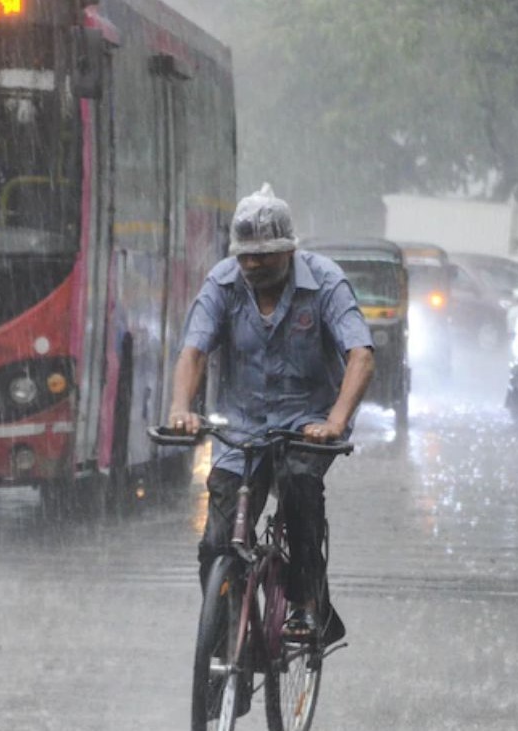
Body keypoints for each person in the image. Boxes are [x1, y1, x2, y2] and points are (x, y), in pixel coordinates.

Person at [166, 183, 375, 641]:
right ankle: (225, 643)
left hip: (308, 425)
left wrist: (335, 422)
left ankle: (308, 603)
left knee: (300, 487)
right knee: (216, 544)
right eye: (246, 257)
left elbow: (361, 355)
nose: (253, 266)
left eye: (265, 256)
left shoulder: (325, 283)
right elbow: (195, 351)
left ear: (289, 251)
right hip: (241, 428)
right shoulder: (221, 284)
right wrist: (182, 408)